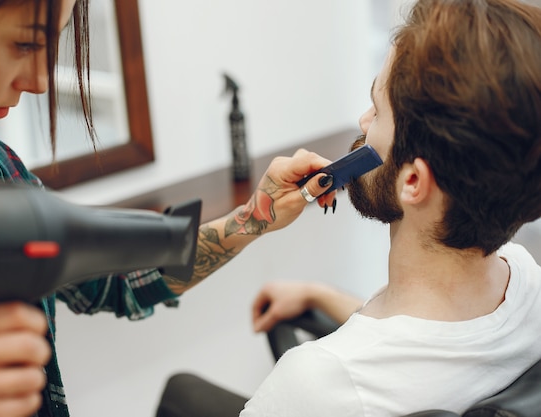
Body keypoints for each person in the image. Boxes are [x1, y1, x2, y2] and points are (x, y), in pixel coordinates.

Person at [0, 1, 337, 417]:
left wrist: (255, 217)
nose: (40, 81)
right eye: (24, 45)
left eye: (51, 47)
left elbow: (115, 281)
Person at [156, 0, 541, 416]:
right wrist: (322, 296)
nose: (362, 121)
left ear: (412, 182)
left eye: (377, 109)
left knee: (181, 393)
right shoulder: (525, 282)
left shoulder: (316, 384)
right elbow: (427, 351)